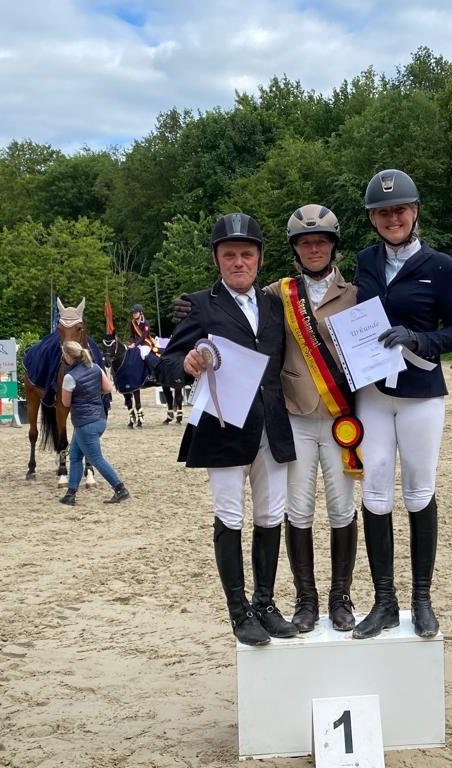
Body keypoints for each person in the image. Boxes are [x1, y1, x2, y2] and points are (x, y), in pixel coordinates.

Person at [155, 213, 298, 647]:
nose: (239, 262)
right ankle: (239, 611)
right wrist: (184, 364)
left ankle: (265, 603)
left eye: (246, 254)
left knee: (271, 515)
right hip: (223, 426)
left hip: (271, 424)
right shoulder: (200, 305)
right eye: (229, 254)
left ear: (259, 258)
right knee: (231, 516)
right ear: (217, 259)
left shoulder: (274, 305)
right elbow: (166, 361)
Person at [351, 169, 452, 640]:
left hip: (421, 393)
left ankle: (422, 598)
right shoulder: (365, 261)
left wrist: (420, 338)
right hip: (373, 395)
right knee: (375, 490)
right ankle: (384, 601)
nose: (392, 218)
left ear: (414, 212)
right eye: (383, 212)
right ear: (373, 219)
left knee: (419, 490)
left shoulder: (440, 267)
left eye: (399, 210)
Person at [266, 204, 359, 633]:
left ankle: (341, 597)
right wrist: (198, 307)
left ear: (333, 246)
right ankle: (306, 599)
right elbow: (238, 306)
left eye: (321, 241)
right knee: (299, 508)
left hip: (342, 418)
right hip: (297, 416)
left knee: (342, 508)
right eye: (306, 243)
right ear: (296, 249)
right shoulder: (277, 293)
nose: (314, 248)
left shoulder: (354, 294)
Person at [59, 340, 130, 506]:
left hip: (85, 423)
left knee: (97, 459)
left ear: (68, 356)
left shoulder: (70, 377)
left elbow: (66, 403)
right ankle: (70, 494)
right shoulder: (96, 367)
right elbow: (108, 389)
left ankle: (120, 489)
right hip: (99, 419)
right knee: (75, 456)